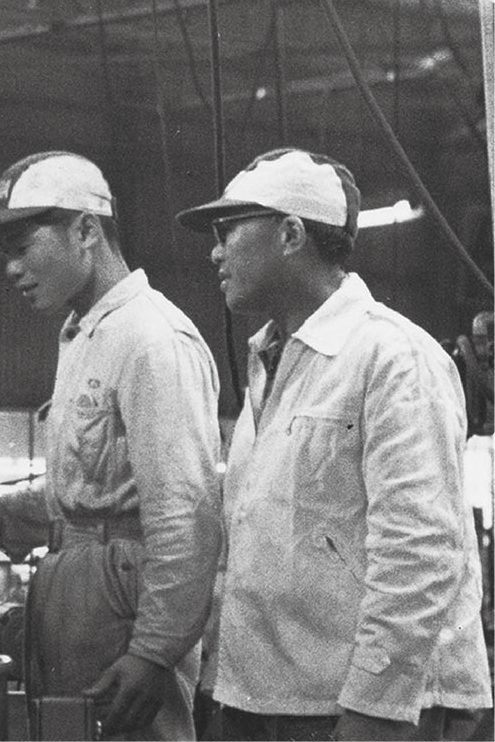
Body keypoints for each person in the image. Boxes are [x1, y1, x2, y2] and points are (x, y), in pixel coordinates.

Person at [176, 147, 493, 742]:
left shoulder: (394, 358)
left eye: (229, 229)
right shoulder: (272, 361)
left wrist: (375, 707)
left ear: (291, 234)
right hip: (271, 697)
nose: (215, 251)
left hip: (377, 709)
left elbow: (421, 549)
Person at [0, 151, 223, 740]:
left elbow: (184, 515)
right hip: (81, 586)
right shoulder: (84, 332)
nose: (11, 270)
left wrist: (152, 653)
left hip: (124, 600)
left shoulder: (150, 339)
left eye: (22, 246)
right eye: (4, 255)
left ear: (86, 230)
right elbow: (85, 491)